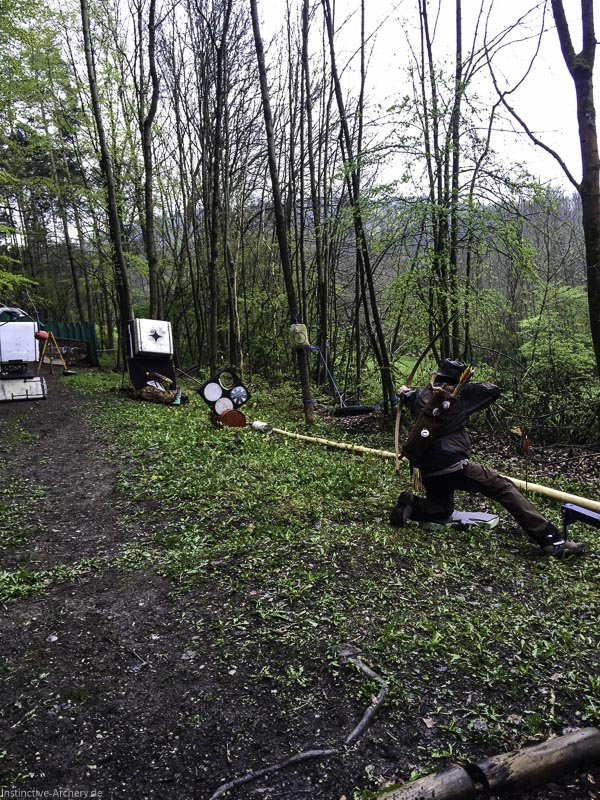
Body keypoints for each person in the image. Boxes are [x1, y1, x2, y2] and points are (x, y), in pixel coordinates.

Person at [390, 358, 585, 557]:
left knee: (442, 509)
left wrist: (404, 391)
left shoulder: (420, 395)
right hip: (452, 464)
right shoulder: (460, 398)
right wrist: (462, 388)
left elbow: (406, 394)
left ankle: (412, 505)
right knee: (502, 486)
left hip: (425, 468)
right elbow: (493, 390)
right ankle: (550, 539)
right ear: (459, 380)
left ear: (437, 376)